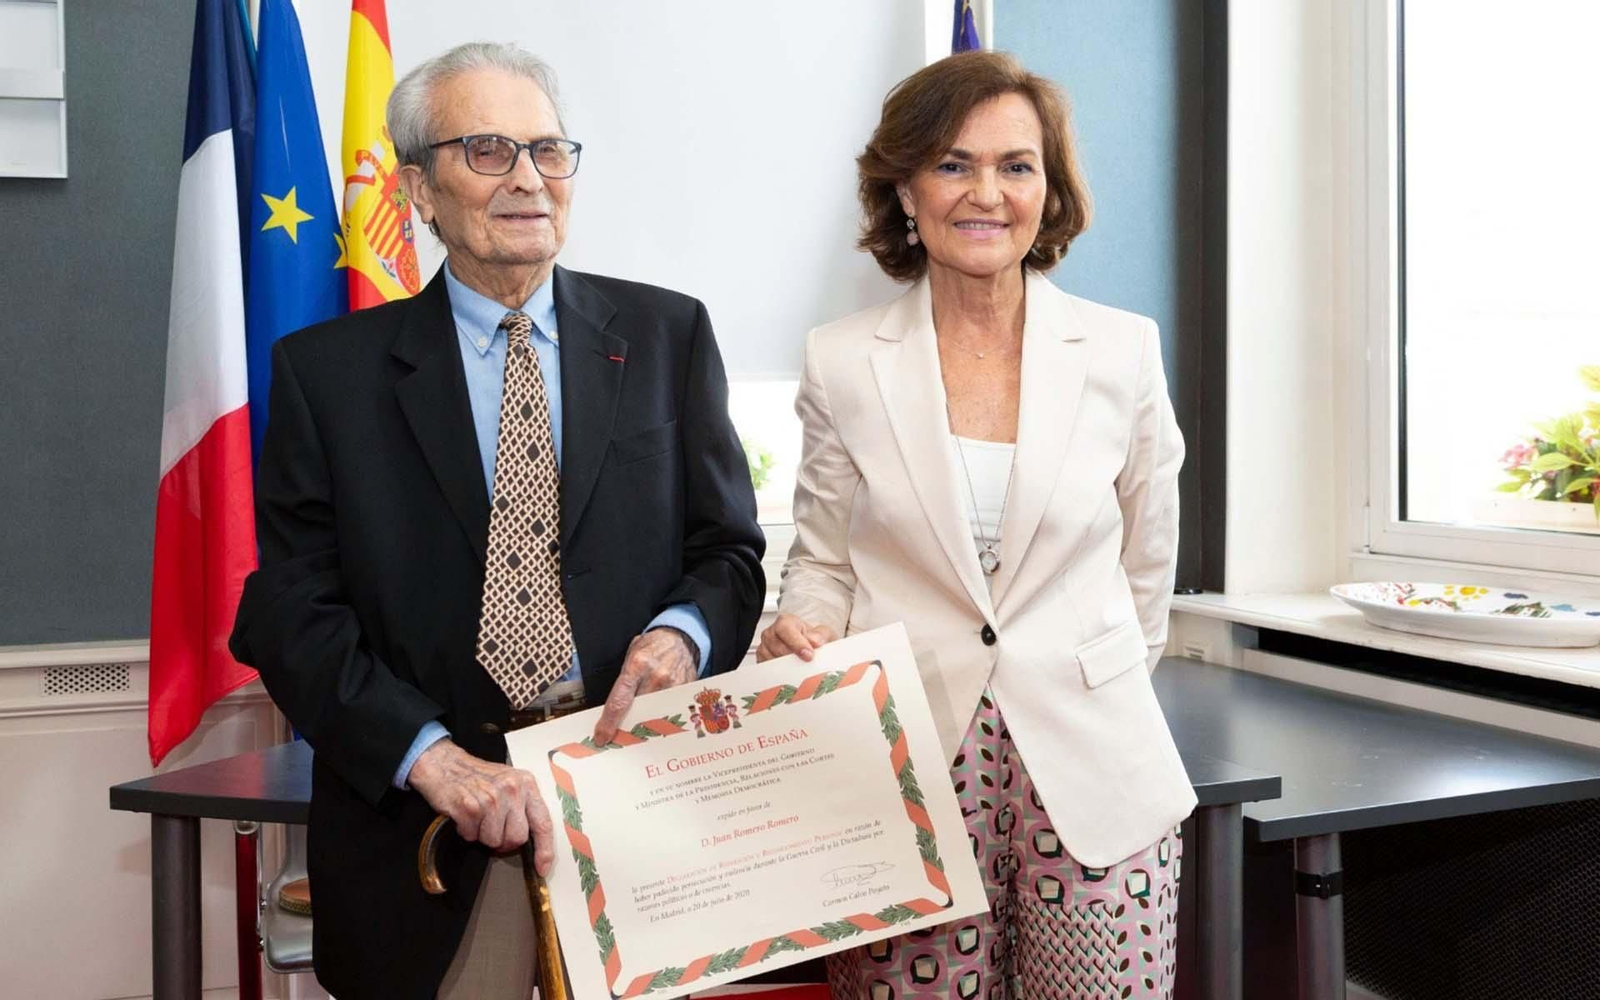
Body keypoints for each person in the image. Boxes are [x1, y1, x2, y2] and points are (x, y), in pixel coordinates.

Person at [229, 42, 764, 1000]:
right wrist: (431, 760)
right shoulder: (327, 376)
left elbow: (726, 552)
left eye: (548, 150)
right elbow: (294, 615)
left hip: (641, 822)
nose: (528, 177)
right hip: (429, 845)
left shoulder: (667, 336)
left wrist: (684, 637)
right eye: (486, 150)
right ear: (419, 193)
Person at [758, 51, 1193, 999]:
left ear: (1050, 190)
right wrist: (804, 627)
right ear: (904, 190)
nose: (985, 193)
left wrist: (1091, 676)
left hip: (1096, 767)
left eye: (1016, 165)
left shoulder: (1124, 351)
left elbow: (1148, 563)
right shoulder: (842, 362)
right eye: (953, 165)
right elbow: (825, 559)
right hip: (905, 772)